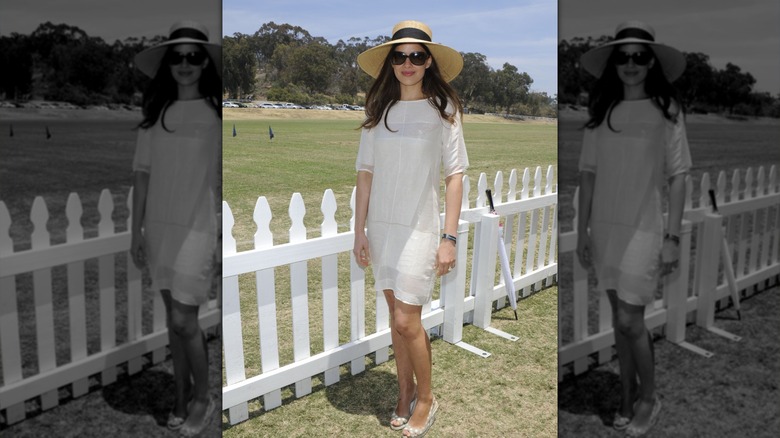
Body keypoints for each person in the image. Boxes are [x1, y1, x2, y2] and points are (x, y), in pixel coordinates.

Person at [353, 20, 468, 438]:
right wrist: (359, 231)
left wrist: (448, 238)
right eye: (399, 55)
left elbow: (455, 176)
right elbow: (365, 174)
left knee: (407, 320)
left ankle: (427, 398)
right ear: (391, 61)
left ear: (429, 61)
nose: (407, 63)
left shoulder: (445, 112)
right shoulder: (378, 113)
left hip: (421, 230)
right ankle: (404, 393)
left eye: (416, 55)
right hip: (381, 228)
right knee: (394, 316)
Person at [576, 21, 691, 437]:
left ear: (652, 62)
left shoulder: (667, 113)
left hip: (644, 231)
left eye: (640, 56)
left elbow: (679, 176)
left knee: (629, 320)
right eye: (622, 57)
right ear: (613, 63)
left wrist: (673, 238)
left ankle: (649, 398)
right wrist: (583, 231)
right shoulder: (603, 113)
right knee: (618, 320)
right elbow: (587, 174)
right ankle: (626, 394)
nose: (631, 64)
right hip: (605, 228)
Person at [130, 20, 220, 437]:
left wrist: (219, 240)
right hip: (159, 230)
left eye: (194, 56)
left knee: (185, 321)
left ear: (205, 64)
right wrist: (136, 232)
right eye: (177, 57)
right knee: (174, 321)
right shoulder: (155, 118)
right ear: (168, 64)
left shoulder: (215, 117)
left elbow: (219, 184)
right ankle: (181, 397)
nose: (185, 64)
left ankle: (204, 398)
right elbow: (142, 177)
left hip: (197, 232)